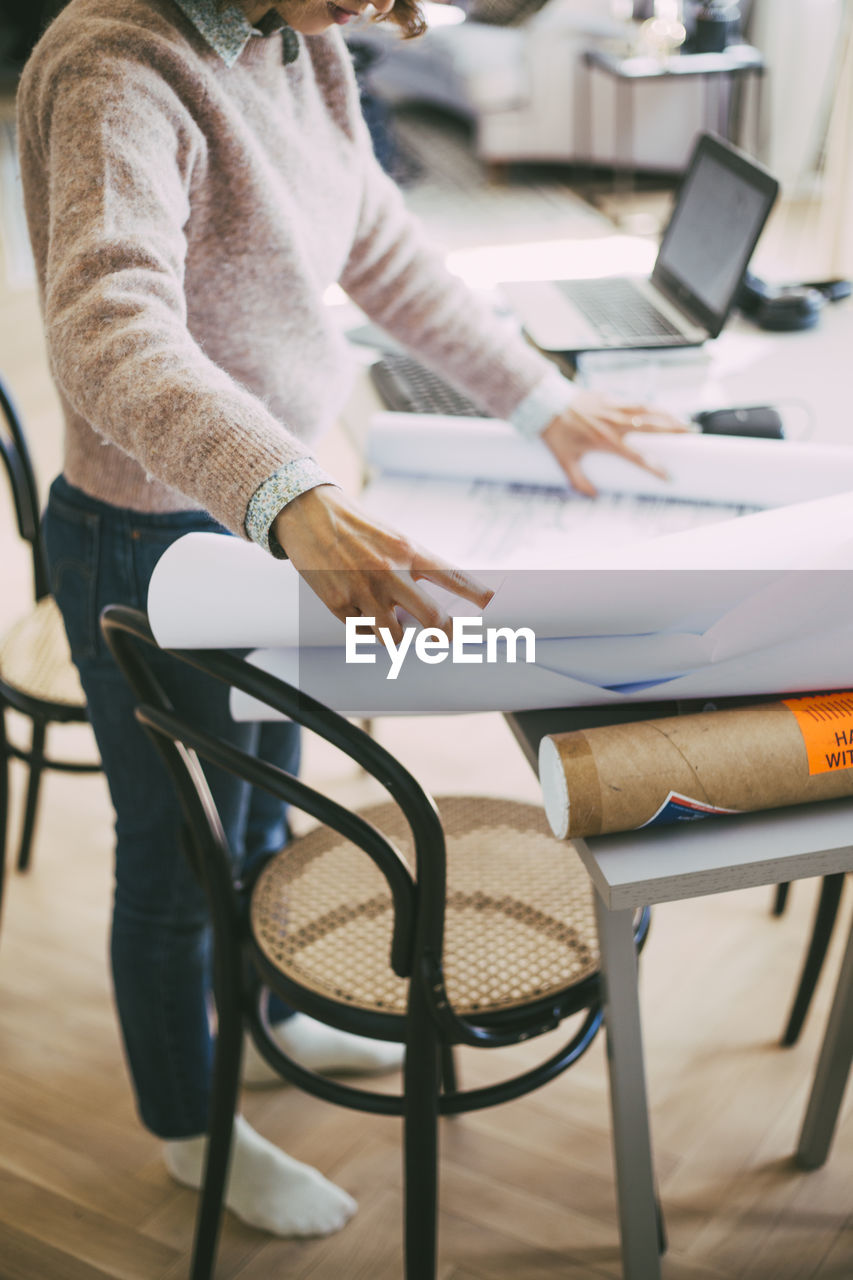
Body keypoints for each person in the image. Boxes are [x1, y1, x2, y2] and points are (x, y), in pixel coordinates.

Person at [16, 0, 680, 1241]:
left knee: (272, 793)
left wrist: (537, 399)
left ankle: (261, 1018)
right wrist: (285, 493)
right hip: (153, 538)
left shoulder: (301, 35)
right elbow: (106, 325)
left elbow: (375, 233)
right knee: (175, 858)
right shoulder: (119, 65)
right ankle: (187, 1127)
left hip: (267, 516)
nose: (407, 16)